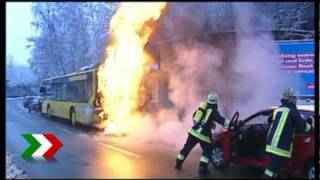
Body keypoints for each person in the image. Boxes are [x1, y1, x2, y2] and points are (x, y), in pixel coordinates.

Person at [175, 91, 231, 176]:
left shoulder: (202, 107)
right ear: (216, 101)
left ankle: (178, 163)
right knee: (208, 151)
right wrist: (231, 123)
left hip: (193, 133)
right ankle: (202, 168)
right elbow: (221, 120)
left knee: (186, 148)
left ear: (208, 99)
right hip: (203, 136)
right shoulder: (213, 110)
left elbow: (194, 116)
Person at [264, 88, 314, 178]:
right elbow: (304, 127)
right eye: (295, 98)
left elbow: (269, 119)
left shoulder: (278, 110)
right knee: (271, 170)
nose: (296, 100)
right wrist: (311, 126)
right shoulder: (293, 111)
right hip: (280, 147)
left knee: (275, 169)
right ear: (291, 99)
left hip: (271, 144)